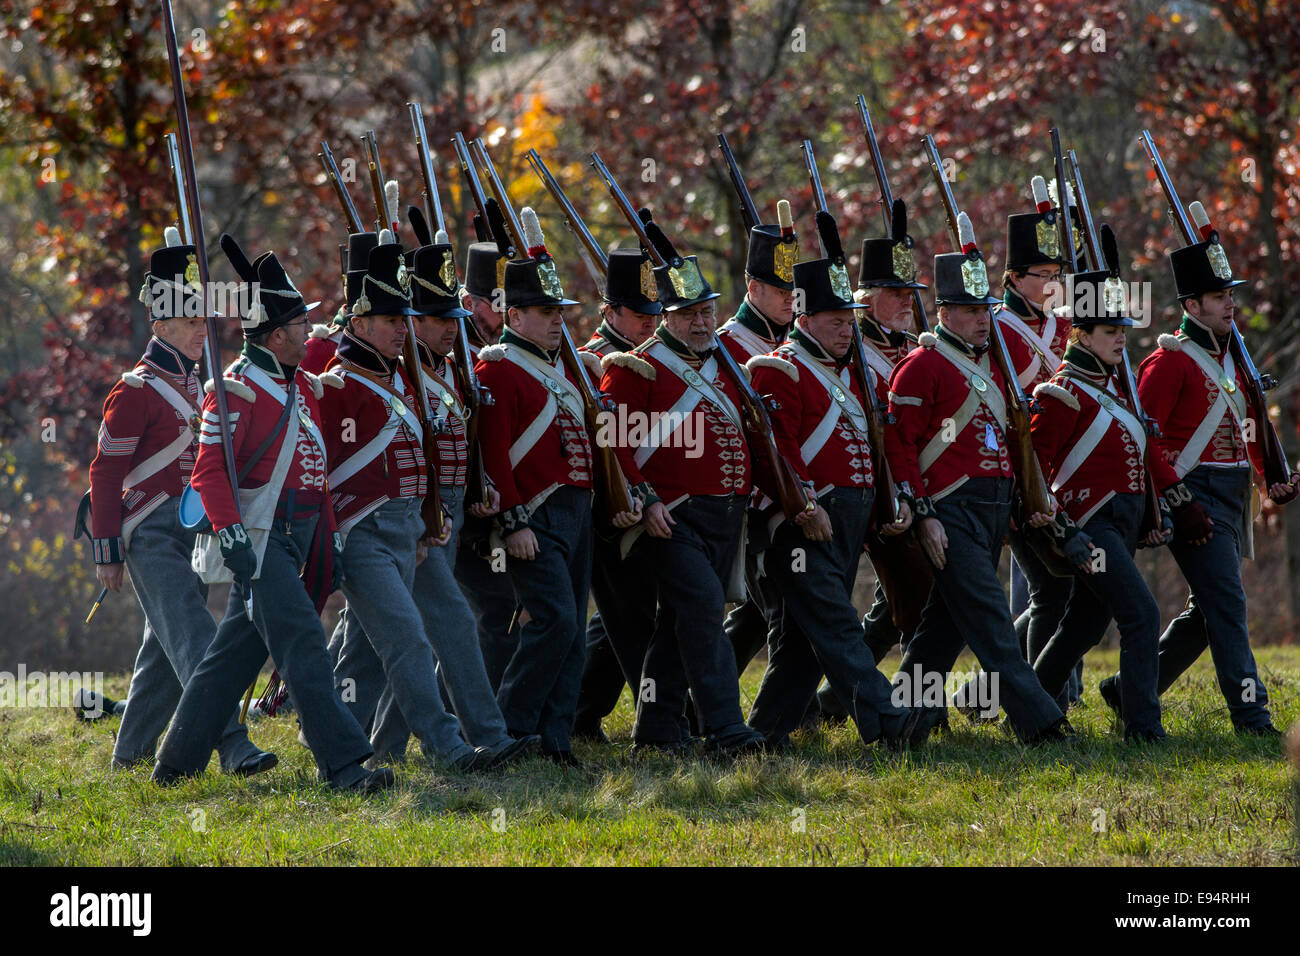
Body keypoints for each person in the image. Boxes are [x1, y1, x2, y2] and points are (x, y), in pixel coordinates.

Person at [152, 239, 390, 793]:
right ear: (276, 335)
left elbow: (315, 470)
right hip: (258, 537)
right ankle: (346, 766)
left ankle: (175, 764)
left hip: (299, 534)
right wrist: (232, 531)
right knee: (306, 643)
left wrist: (325, 538)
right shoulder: (231, 390)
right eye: (299, 328)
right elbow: (209, 473)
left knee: (231, 658)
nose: (308, 335)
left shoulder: (300, 384)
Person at [83, 234, 274, 775]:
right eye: (190, 322)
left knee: (164, 649)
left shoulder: (200, 384)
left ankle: (129, 757)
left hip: (193, 527)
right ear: (160, 325)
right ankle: (233, 743)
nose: (201, 331)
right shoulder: (135, 390)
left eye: (203, 322)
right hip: (147, 531)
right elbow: (106, 471)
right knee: (193, 633)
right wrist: (106, 548)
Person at [1104, 206, 1299, 736]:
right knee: (1229, 606)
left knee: (1208, 611)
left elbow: (1248, 424)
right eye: (1219, 297)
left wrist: (1269, 478)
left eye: (1230, 294)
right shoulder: (1168, 362)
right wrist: (1175, 500)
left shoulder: (1231, 356)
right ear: (1191, 304)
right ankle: (1252, 715)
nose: (1230, 303)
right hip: (1194, 493)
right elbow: (1142, 436)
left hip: (1232, 492)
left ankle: (1129, 692)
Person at [885, 214, 1070, 745]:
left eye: (983, 310)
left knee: (941, 630)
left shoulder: (992, 363)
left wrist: (1019, 497)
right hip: (949, 509)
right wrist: (921, 513)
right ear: (944, 311)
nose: (980, 320)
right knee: (992, 621)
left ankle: (903, 725)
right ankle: (1042, 725)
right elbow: (899, 445)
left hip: (991, 509)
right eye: (968, 312)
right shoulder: (922, 366)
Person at [319, 235, 498, 772]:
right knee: (409, 642)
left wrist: (428, 522)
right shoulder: (335, 383)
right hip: (360, 532)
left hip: (409, 531)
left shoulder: (401, 377)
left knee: (374, 652)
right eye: (391, 319)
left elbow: (421, 459)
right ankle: (450, 749)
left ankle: (358, 748)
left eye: (404, 319)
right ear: (358, 323)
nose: (403, 328)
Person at [745, 220, 917, 750]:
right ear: (806, 317)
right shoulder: (780, 369)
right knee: (840, 627)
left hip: (847, 519)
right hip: (803, 523)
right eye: (837, 320)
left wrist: (888, 503)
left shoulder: (850, 372)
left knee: (803, 641)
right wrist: (804, 508)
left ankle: (763, 734)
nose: (848, 330)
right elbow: (779, 451)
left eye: (851, 320)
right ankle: (887, 722)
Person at [475, 219, 639, 765]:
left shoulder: (563, 368)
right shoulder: (498, 368)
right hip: (535, 514)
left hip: (578, 510)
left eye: (560, 313)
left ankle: (556, 738)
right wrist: (514, 520)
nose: (557, 322)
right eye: (546, 313)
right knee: (556, 622)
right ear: (514, 316)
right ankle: (512, 728)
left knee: (569, 631)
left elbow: (593, 439)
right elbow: (495, 453)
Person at [600, 219, 766, 756]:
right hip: (671, 518)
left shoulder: (728, 364)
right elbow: (612, 441)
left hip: (726, 517)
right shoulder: (637, 369)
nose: (702, 323)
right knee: (700, 612)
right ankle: (725, 727)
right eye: (690, 314)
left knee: (677, 626)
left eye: (708, 311)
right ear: (665, 317)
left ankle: (654, 732)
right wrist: (645, 499)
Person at [1027, 226, 1168, 741]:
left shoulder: (1112, 388)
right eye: (1110, 330)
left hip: (1123, 524)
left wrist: (1153, 517)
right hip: (1090, 527)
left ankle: (1032, 708)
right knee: (1141, 614)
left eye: (1122, 330)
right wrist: (1063, 532)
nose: (1121, 338)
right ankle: (1143, 728)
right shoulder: (1062, 394)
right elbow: (1037, 473)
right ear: (1082, 334)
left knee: (1085, 626)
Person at [403, 235, 538, 765]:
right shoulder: (403, 372)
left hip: (457, 512)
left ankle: (386, 742)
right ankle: (483, 735)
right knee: (439, 623)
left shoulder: (448, 365)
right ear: (414, 321)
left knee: (412, 631)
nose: (449, 326)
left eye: (452, 317)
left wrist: (480, 488)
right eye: (437, 319)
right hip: (419, 514)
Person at [572, 248, 663, 743]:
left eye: (655, 314)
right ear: (611, 313)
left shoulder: (651, 358)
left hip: (643, 499)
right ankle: (663, 722)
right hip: (609, 507)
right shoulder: (593, 362)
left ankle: (580, 715)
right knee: (630, 620)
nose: (651, 323)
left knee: (617, 620)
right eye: (640, 314)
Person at [717, 219, 800, 680]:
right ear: (752, 286)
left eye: (794, 288)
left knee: (756, 612)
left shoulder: (792, 341)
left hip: (788, 490)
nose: (791, 296)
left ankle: (705, 699)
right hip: (751, 500)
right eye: (777, 286)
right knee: (776, 605)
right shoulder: (728, 345)